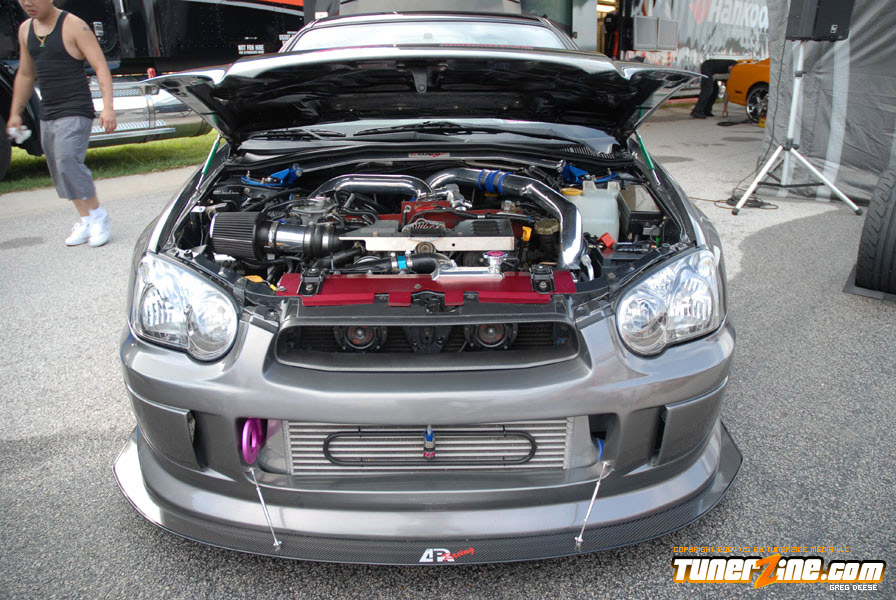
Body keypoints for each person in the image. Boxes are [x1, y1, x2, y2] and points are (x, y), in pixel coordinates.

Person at [7, 0, 117, 247]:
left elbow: (100, 66)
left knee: (68, 161)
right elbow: (25, 73)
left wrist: (108, 107)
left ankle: (98, 216)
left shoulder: (74, 26)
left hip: (76, 108)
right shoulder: (25, 29)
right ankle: (86, 219)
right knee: (59, 169)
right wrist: (15, 113)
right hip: (48, 111)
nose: (27, 3)